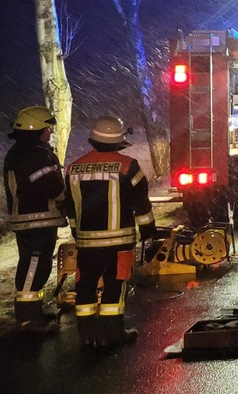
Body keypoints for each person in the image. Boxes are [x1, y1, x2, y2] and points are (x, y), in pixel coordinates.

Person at [63, 116, 155, 347]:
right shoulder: (128, 167)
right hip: (119, 242)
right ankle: (113, 333)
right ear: (119, 141)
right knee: (115, 284)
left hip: (86, 242)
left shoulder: (74, 168)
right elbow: (141, 205)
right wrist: (148, 231)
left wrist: (77, 233)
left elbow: (71, 208)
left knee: (85, 285)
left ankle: (86, 334)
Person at [3, 106, 67, 334]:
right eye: (46, 128)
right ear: (36, 130)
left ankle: (33, 313)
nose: (49, 132)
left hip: (33, 220)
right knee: (33, 266)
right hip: (36, 220)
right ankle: (28, 320)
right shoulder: (35, 155)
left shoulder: (22, 152)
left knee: (35, 265)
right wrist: (66, 197)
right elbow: (52, 186)